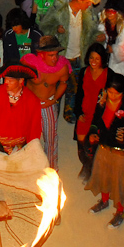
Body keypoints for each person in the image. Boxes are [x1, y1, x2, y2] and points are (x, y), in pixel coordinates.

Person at [84, 74, 124, 229]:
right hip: (104, 145)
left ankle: (120, 211)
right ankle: (104, 201)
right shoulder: (103, 98)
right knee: (102, 174)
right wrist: (93, 132)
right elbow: (96, 118)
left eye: (116, 94)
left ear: (122, 92)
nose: (112, 96)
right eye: (109, 92)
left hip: (123, 149)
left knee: (120, 181)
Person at [39, 0, 105, 123]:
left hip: (78, 57)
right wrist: (56, 29)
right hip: (60, 59)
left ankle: (69, 114)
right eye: (87, 2)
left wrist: (99, 36)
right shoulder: (59, 10)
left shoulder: (88, 14)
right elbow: (44, 27)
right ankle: (52, 116)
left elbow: (91, 33)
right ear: (79, 0)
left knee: (73, 89)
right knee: (55, 88)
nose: (89, 5)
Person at [22, 36, 71, 170]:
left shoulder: (62, 68)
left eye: (56, 55)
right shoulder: (30, 64)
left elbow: (63, 83)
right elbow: (19, 80)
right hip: (30, 104)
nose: (55, 58)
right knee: (27, 137)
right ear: (41, 55)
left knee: (51, 138)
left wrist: (54, 100)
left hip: (48, 103)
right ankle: (27, 167)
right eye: (51, 55)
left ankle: (51, 168)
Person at [74, 43, 114, 182]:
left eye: (97, 59)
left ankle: (91, 171)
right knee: (81, 145)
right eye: (91, 58)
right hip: (85, 114)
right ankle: (87, 166)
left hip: (99, 117)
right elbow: (79, 94)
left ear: (102, 59)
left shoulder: (109, 74)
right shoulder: (84, 71)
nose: (94, 61)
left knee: (93, 146)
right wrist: (78, 112)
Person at [99, 0, 124, 84]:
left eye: (113, 11)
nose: (109, 13)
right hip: (104, 66)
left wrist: (114, 50)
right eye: (107, 11)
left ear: (118, 13)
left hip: (121, 69)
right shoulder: (102, 26)